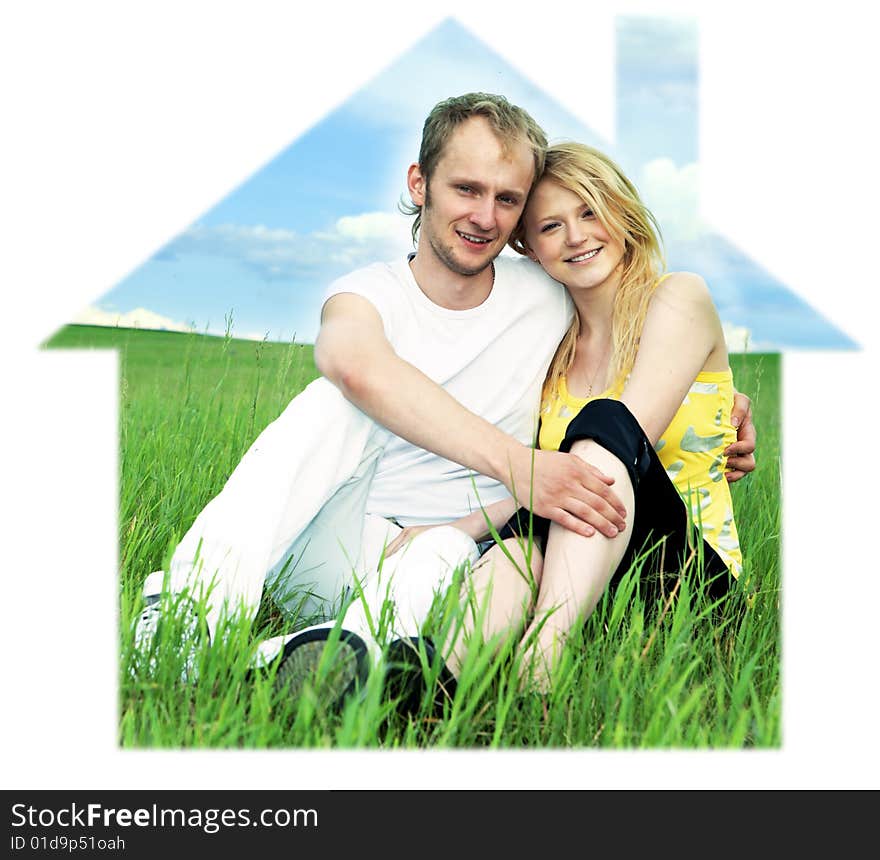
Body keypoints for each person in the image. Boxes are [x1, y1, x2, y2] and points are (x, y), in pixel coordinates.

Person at [133, 94, 756, 707]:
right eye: (468, 189)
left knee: (501, 523)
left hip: (570, 565)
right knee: (353, 427)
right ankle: (224, 630)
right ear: (420, 184)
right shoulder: (405, 299)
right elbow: (352, 362)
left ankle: (494, 663)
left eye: (508, 200)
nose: (487, 216)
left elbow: (627, 413)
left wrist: (720, 403)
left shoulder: (608, 299)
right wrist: (499, 488)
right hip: (410, 548)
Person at [394, 141, 747, 691]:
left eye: (589, 210)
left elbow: (621, 451)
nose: (577, 236)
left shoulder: (679, 298)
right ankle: (431, 687)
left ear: (621, 211)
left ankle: (541, 661)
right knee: (520, 551)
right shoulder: (549, 351)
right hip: (587, 595)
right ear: (529, 247)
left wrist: (465, 527)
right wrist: (454, 531)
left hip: (690, 590)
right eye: (551, 226)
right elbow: (543, 490)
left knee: (603, 430)